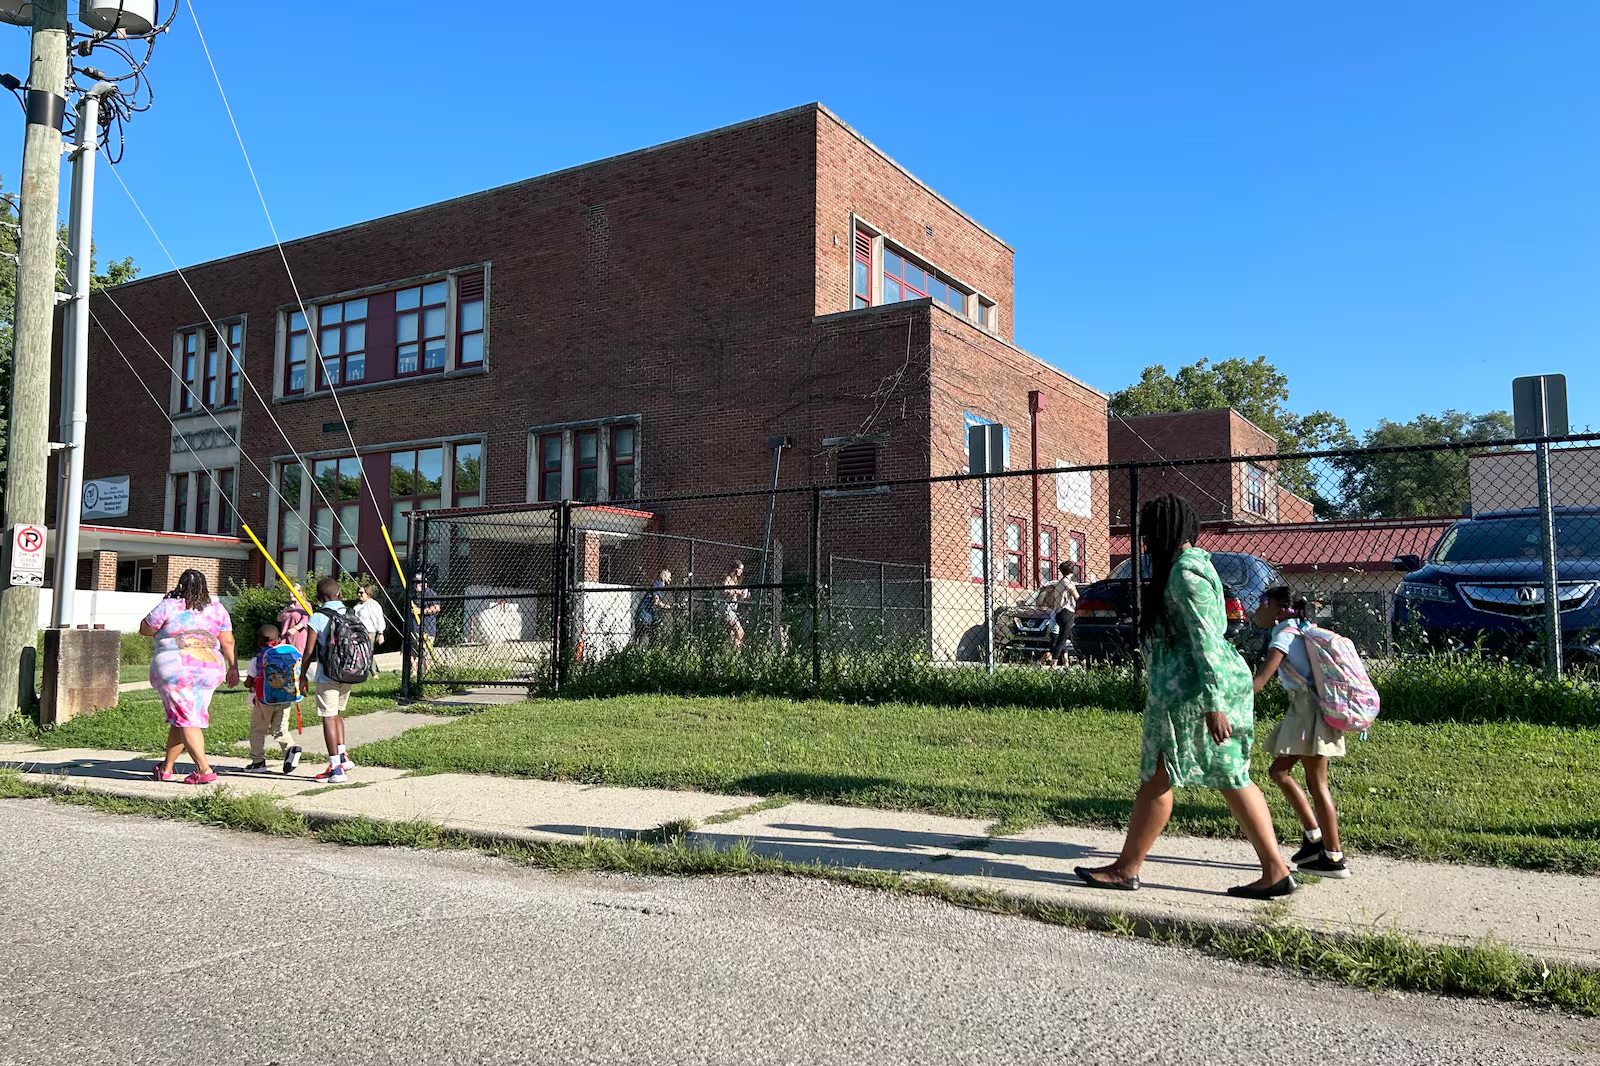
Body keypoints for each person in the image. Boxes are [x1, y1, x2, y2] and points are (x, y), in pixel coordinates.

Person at [1075, 495, 1294, 900]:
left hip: (1194, 691)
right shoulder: (1190, 568)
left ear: (1161, 532)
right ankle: (1274, 871)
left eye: (1147, 533)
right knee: (1207, 776)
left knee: (1178, 774)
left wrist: (1214, 703)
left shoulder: (1185, 577)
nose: (1144, 542)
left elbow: (1206, 640)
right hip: (1191, 688)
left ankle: (1127, 870)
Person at [1253, 585, 1351, 879]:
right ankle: (1313, 837)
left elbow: (1261, 679)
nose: (1258, 610)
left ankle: (1333, 857)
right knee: (1279, 772)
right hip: (1306, 711)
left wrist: (1230, 699)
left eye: (1263, 604)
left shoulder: (1284, 635)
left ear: (1280, 610)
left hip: (1309, 714)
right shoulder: (1302, 628)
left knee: (1317, 783)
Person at [141, 569, 238, 785]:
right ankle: (166, 768)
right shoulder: (217, 609)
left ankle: (204, 769)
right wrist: (233, 667)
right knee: (184, 717)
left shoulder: (169, 605)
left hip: (176, 669)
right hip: (210, 668)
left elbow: (146, 629)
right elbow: (228, 641)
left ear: (180, 585)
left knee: (186, 718)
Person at [302, 577, 372, 784]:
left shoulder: (317, 617)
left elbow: (309, 651)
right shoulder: (351, 613)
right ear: (339, 594)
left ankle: (336, 769)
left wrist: (301, 677)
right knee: (337, 714)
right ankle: (343, 756)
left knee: (328, 717)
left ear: (318, 598)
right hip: (350, 671)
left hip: (328, 675)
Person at [243, 623, 304, 776]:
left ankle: (258, 761)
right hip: (286, 699)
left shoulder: (257, 658)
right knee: (280, 729)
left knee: (258, 730)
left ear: (259, 643)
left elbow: (249, 682)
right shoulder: (287, 653)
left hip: (263, 701)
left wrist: (246, 682)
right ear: (278, 639)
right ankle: (290, 748)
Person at [1040, 567, 1080, 666]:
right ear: (1072, 571)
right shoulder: (1069, 583)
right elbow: (1077, 597)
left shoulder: (1058, 584)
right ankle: (1054, 663)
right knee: (1063, 639)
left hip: (1058, 612)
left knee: (1069, 637)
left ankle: (1082, 661)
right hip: (1068, 612)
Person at [406, 573, 441, 675]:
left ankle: (426, 674)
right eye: (415, 583)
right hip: (414, 628)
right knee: (413, 653)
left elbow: (436, 608)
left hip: (427, 629)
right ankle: (413, 673)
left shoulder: (430, 594)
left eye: (418, 583)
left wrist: (420, 611)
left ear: (424, 583)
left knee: (426, 654)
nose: (416, 585)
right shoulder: (414, 596)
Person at [354, 583, 388, 673]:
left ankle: (374, 672)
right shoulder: (358, 605)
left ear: (368, 593)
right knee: (361, 651)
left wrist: (381, 633)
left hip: (369, 632)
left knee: (368, 651)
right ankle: (372, 669)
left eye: (361, 593)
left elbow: (378, 619)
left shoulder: (373, 605)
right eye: (358, 592)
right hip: (359, 631)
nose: (359, 594)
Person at [636, 569, 672, 646]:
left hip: (647, 616)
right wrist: (667, 606)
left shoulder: (659, 586)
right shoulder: (658, 584)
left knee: (648, 639)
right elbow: (656, 601)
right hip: (644, 616)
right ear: (664, 577)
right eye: (669, 577)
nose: (670, 579)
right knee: (646, 640)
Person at [722, 561, 749, 650]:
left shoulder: (736, 581)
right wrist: (736, 591)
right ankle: (737, 652)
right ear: (735, 569)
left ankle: (730, 652)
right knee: (740, 632)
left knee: (729, 634)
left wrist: (743, 594)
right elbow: (725, 591)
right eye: (740, 569)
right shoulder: (728, 579)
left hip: (733, 609)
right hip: (727, 609)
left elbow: (739, 599)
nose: (741, 571)